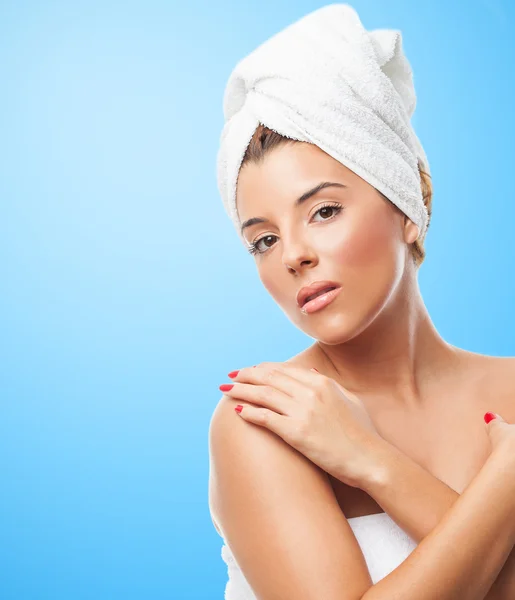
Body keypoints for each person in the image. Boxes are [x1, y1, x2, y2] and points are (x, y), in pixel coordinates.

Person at [209, 5, 515, 599]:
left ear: (406, 208)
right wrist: (505, 481)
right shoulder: (269, 418)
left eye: (323, 211)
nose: (292, 255)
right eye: (263, 240)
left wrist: (373, 462)